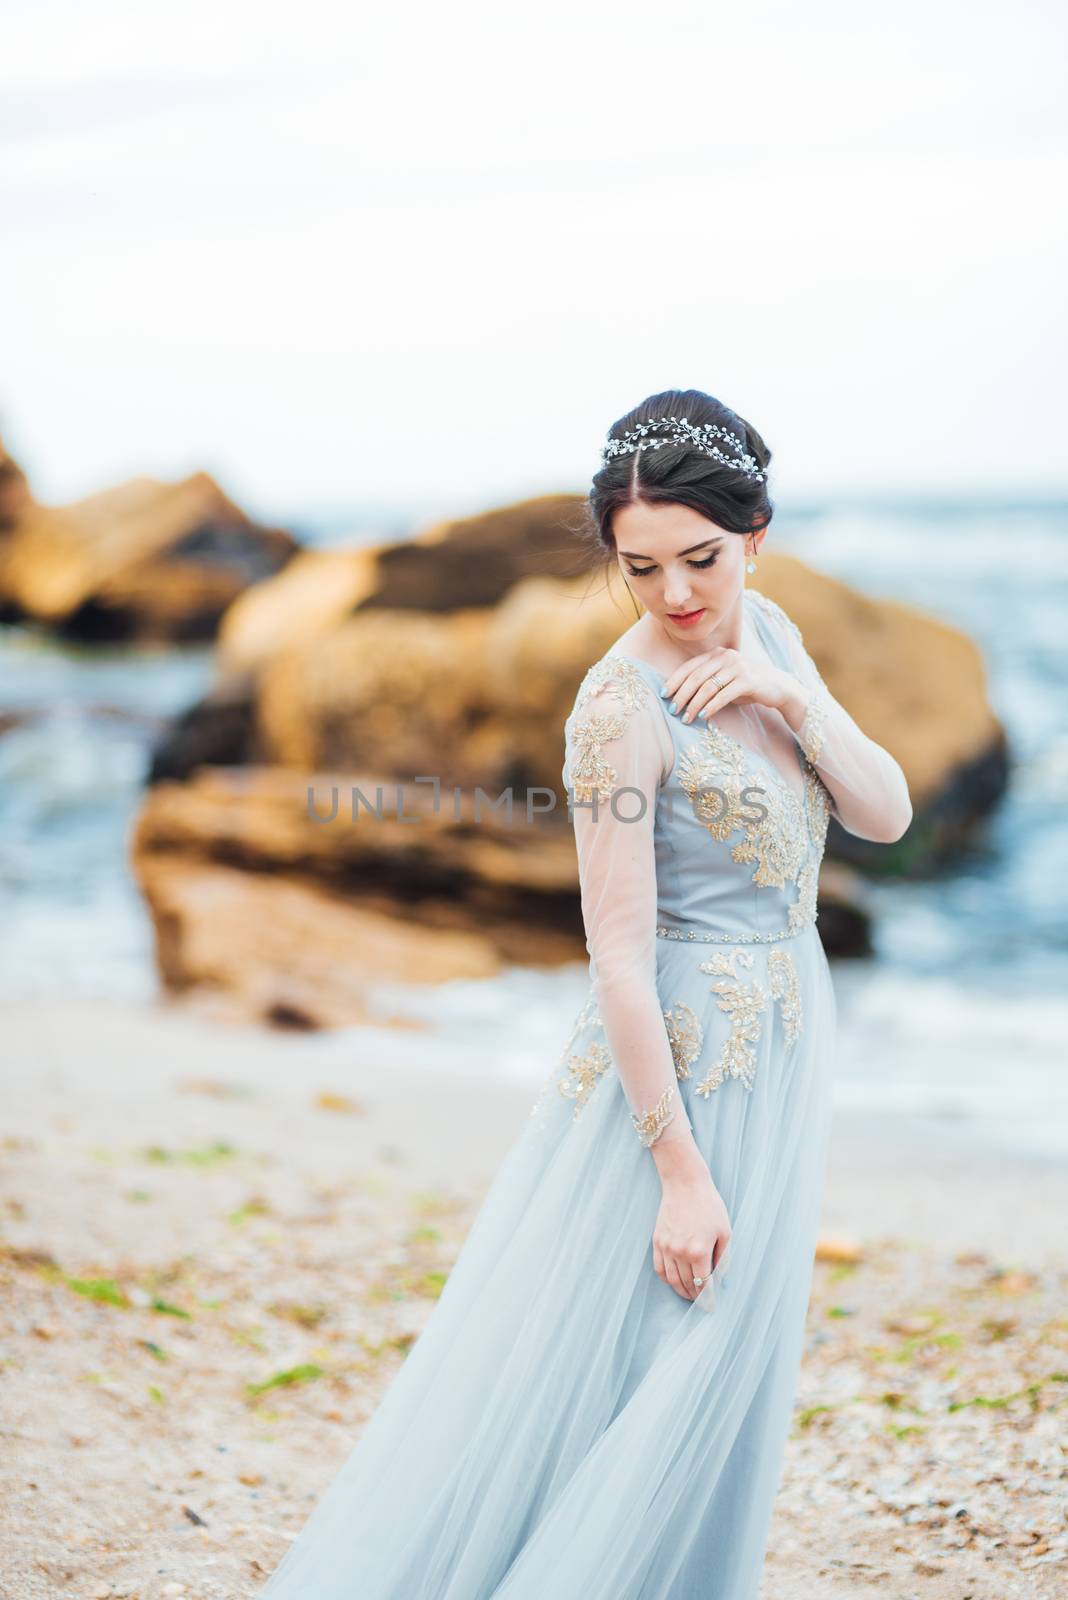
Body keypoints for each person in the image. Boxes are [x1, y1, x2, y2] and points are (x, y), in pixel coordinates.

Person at [255, 388, 913, 1599]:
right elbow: (614, 950)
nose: (676, 596)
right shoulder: (617, 711)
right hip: (675, 1064)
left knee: (727, 1377)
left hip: (787, 1037)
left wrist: (790, 698)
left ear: (756, 531)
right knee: (658, 1364)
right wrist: (678, 1169)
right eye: (641, 567)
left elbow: (884, 812)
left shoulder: (771, 639)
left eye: (702, 560)